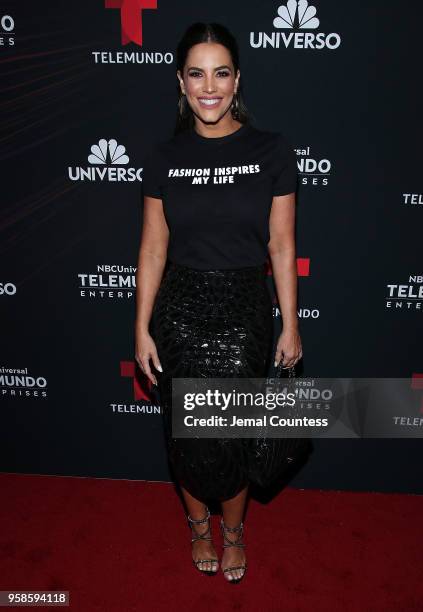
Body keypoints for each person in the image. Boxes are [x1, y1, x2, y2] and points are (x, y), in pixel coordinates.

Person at [135, 22, 302, 584]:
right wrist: (141, 327)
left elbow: (282, 244)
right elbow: (153, 246)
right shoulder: (162, 155)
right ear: (180, 83)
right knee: (185, 432)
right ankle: (198, 526)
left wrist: (290, 325)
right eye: (197, 73)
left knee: (230, 431)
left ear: (237, 81)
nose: (210, 86)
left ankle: (233, 532)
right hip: (180, 306)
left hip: (243, 307)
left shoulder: (271, 149)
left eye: (221, 73)